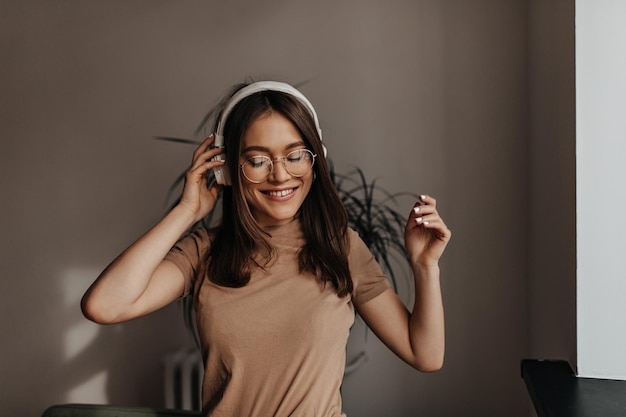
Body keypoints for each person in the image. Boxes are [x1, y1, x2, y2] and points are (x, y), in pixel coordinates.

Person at [81, 80, 451, 417]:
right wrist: (187, 211)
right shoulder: (204, 253)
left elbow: (426, 354)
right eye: (257, 160)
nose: (279, 174)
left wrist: (424, 266)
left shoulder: (340, 246)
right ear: (227, 169)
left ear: (315, 160)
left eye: (294, 156)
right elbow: (104, 305)